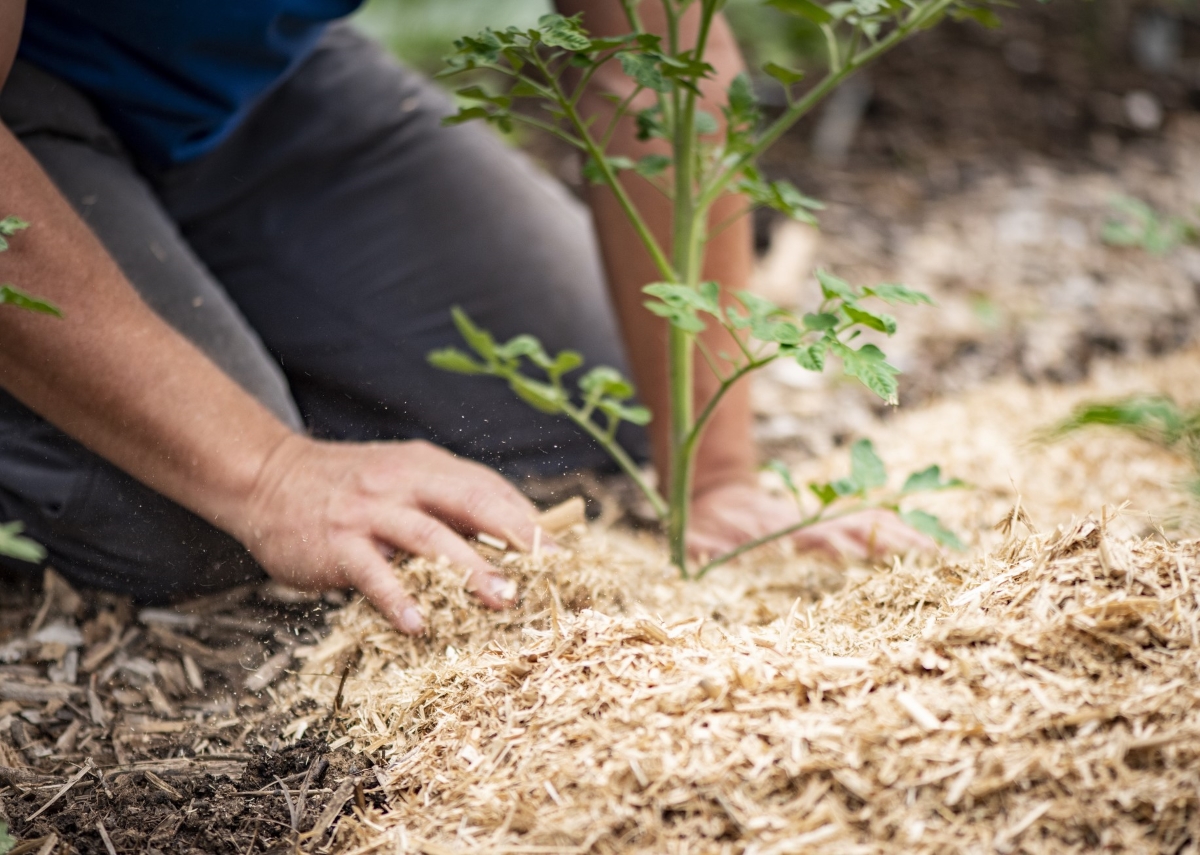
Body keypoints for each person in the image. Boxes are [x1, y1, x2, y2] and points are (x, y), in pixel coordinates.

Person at [0, 0, 927, 635]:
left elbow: (664, 67)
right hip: (25, 87)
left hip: (241, 80)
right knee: (187, 517)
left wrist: (716, 477)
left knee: (597, 392)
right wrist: (270, 471)